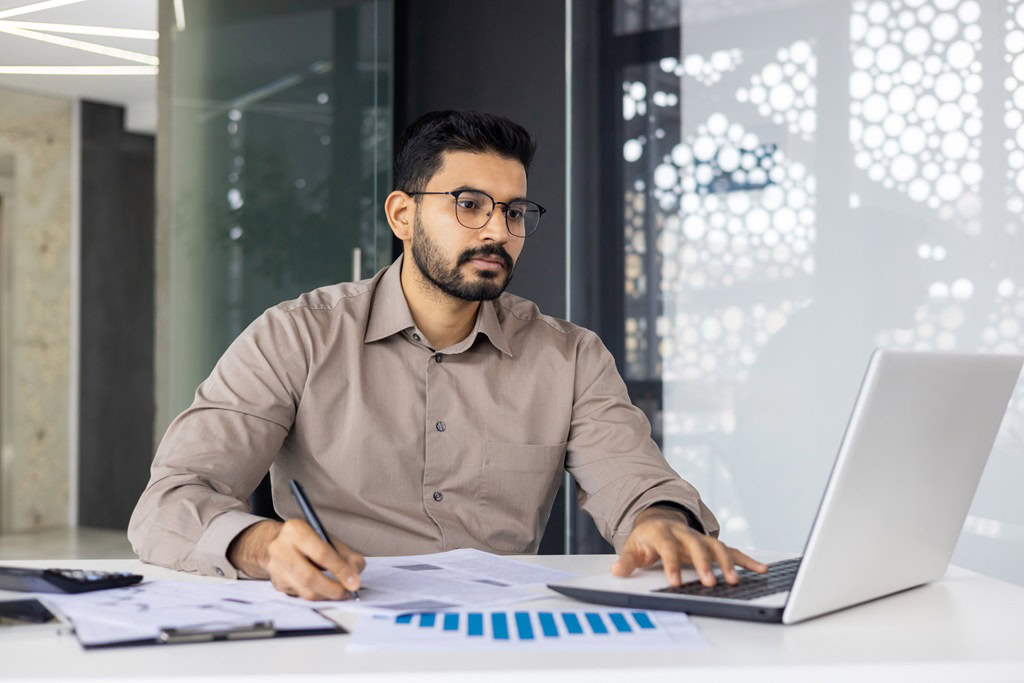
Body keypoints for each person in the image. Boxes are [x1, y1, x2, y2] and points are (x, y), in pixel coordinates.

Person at [128, 110, 767, 601]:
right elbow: (170, 503)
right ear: (403, 215)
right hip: (336, 626)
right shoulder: (295, 336)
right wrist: (262, 545)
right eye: (469, 205)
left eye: (514, 211)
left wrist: (658, 520)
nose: (497, 230)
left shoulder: (569, 357)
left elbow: (637, 482)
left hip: (503, 639)